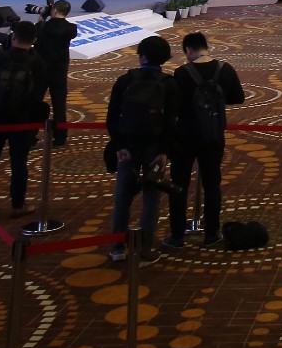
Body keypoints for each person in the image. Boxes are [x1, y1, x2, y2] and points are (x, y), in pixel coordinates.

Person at [166, 31, 246, 249]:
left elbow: (174, 106)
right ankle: (212, 233)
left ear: (188, 50)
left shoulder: (182, 73)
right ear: (206, 46)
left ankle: (177, 235)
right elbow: (238, 97)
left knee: (179, 184)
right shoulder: (225, 69)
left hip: (185, 135)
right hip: (213, 133)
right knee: (212, 184)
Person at [105, 35, 178, 262]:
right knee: (152, 198)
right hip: (155, 147)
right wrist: (164, 151)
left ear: (142, 56)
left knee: (122, 197)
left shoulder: (125, 80)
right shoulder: (169, 84)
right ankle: (145, 248)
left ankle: (118, 247)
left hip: (128, 145)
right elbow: (171, 122)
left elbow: (112, 117)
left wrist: (120, 145)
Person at [0, 20, 46, 215]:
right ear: (34, 40)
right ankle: (18, 205)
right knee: (19, 162)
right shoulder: (37, 63)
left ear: (13, 36)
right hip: (22, 119)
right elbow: (38, 92)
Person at [33, 0, 77, 146]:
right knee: (59, 104)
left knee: (35, 102)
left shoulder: (43, 26)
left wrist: (42, 16)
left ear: (54, 11)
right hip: (59, 70)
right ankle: (60, 136)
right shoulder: (71, 28)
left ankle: (30, 135)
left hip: (41, 69)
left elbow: (37, 36)